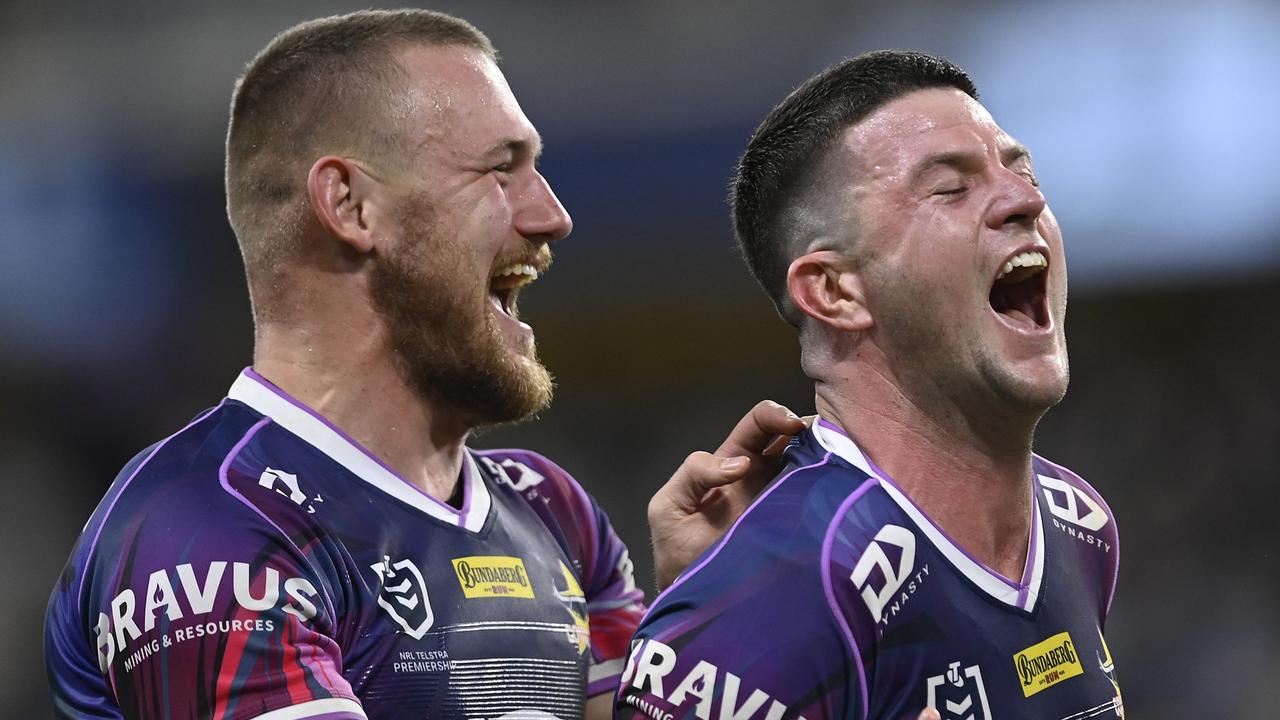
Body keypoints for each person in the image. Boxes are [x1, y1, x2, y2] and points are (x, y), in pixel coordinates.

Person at [43, 10, 806, 720]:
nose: (552, 216)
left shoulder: (552, 512)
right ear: (350, 206)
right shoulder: (208, 528)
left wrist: (702, 623)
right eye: (499, 172)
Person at [616, 51, 1123, 720]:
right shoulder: (785, 592)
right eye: (951, 188)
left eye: (1021, 169)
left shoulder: (1078, 526)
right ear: (834, 292)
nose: (1025, 199)